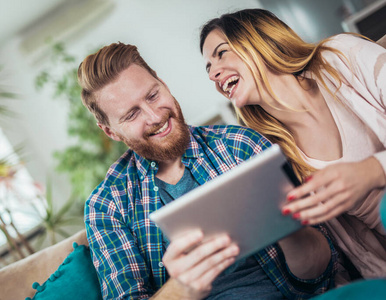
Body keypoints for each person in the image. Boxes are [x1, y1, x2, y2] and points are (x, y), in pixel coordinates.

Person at [77, 42, 337, 299]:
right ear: (111, 131)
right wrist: (181, 290)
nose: (154, 116)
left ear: (163, 83)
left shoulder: (240, 145)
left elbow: (323, 272)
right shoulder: (107, 205)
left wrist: (289, 231)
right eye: (132, 114)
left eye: (153, 95)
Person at [200, 8, 386, 280]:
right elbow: (335, 260)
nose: (213, 74)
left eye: (221, 53)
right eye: (208, 67)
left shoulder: (341, 56)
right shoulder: (271, 154)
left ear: (258, 39)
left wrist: (371, 171)